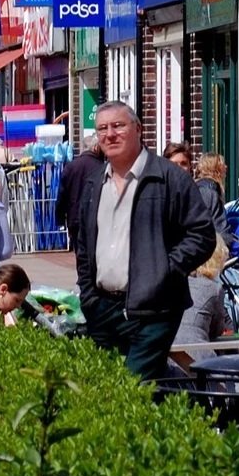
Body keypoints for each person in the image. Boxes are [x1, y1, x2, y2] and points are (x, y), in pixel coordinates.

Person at [67, 101, 218, 380]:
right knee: (111, 387)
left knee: (132, 388)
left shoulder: (169, 177)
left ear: (138, 129)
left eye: (118, 126)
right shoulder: (93, 182)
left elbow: (202, 235)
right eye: (102, 128)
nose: (110, 134)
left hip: (154, 311)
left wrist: (164, 270)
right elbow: (83, 242)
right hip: (102, 309)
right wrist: (89, 296)